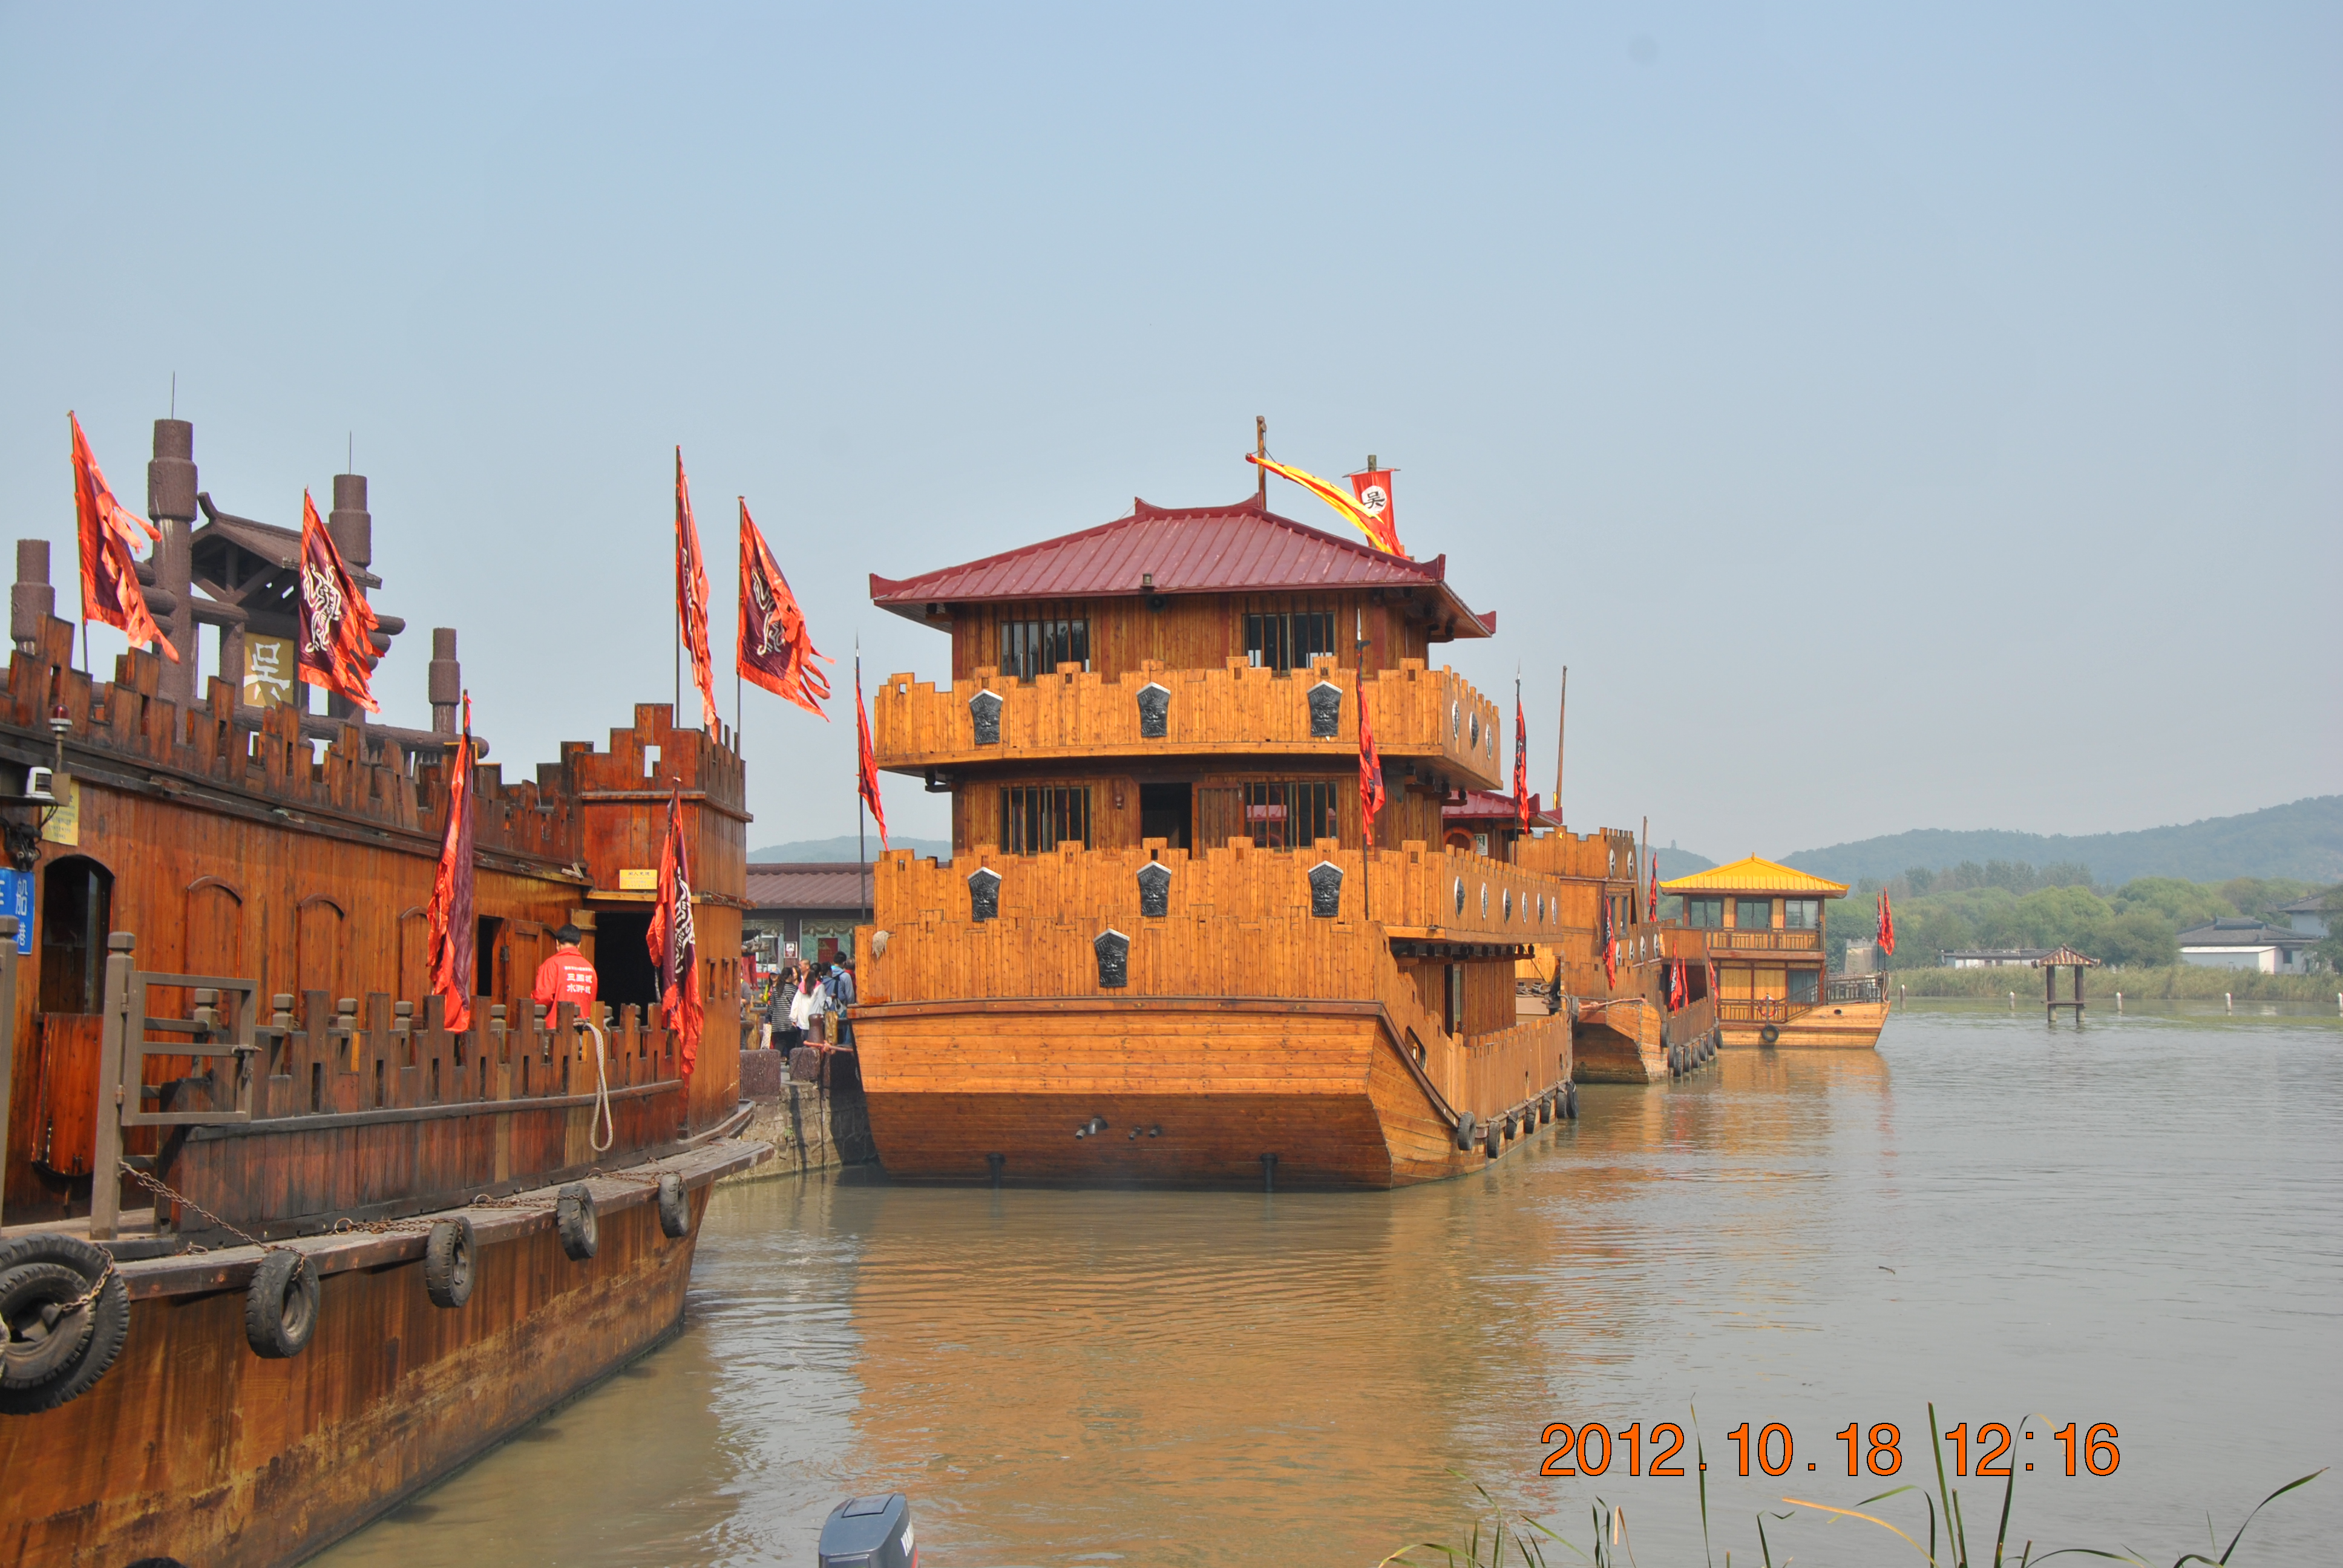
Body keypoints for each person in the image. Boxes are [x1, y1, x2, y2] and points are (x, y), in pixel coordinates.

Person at [531, 924, 598, 1031]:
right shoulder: (590, 968)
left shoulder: (551, 964)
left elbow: (543, 997)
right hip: (584, 1031)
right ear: (579, 944)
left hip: (556, 1030)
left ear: (557, 943)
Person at [824, 956, 858, 1048]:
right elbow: (849, 995)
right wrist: (849, 1006)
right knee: (843, 1030)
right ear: (843, 963)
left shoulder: (824, 977)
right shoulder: (845, 976)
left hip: (826, 1010)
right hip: (841, 1008)